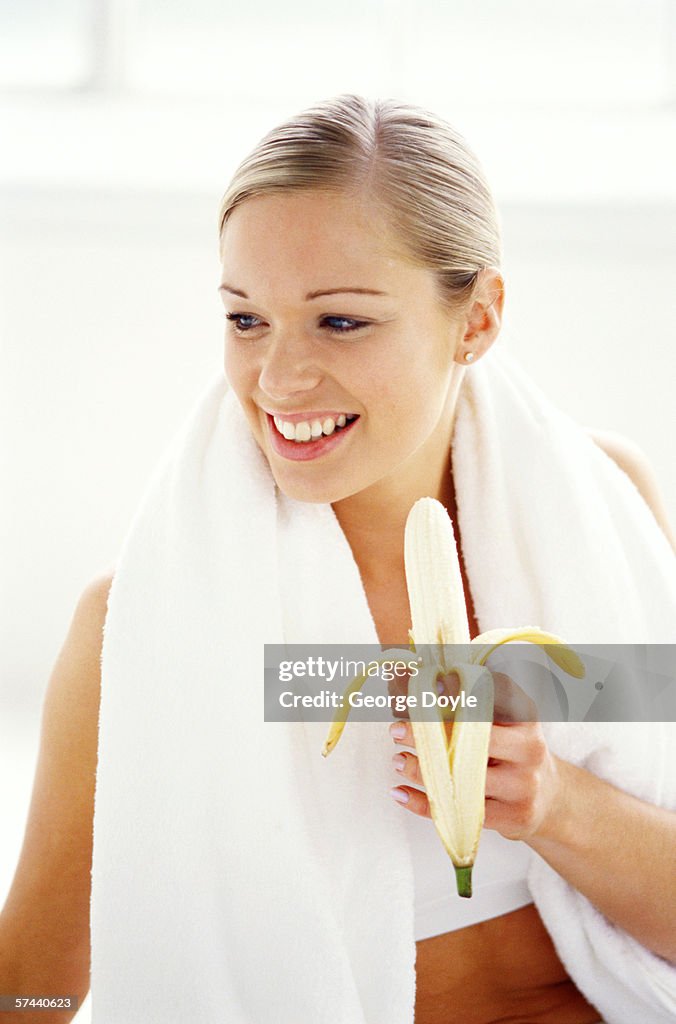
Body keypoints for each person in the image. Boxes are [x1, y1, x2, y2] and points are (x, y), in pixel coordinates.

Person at [1, 94, 675, 1024]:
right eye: (246, 321)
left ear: (476, 319)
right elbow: (31, 987)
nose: (278, 380)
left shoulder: (602, 514)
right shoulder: (143, 627)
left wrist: (554, 802)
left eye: (341, 322)